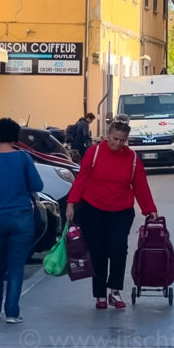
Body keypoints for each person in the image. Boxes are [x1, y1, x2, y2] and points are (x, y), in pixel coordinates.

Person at [65, 117, 158, 309]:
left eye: (122, 140)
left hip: (121, 210)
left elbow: (141, 186)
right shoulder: (95, 152)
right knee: (97, 251)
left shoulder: (132, 159)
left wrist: (150, 210)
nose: (118, 143)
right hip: (93, 208)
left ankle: (115, 290)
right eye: (115, 138)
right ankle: (99, 294)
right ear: (107, 135)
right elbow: (81, 178)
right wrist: (71, 203)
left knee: (118, 249)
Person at [0, 118, 44, 324]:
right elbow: (37, 184)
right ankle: (12, 312)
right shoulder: (23, 159)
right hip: (21, 216)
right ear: (15, 136)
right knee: (16, 266)